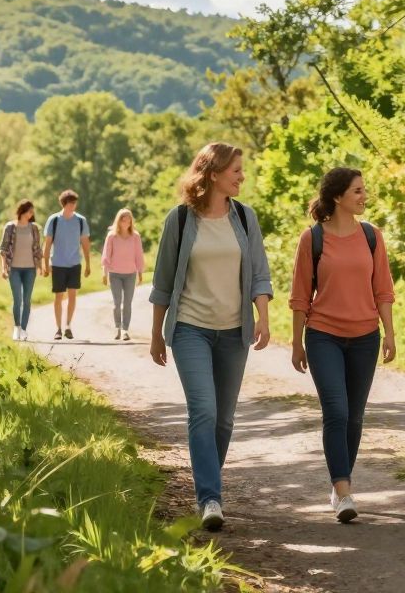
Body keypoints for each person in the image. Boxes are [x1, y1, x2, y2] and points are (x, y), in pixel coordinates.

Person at [148, 142, 272, 532]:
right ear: (214, 173)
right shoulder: (181, 220)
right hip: (190, 328)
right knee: (203, 410)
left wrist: (263, 317)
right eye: (236, 170)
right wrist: (156, 333)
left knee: (224, 420)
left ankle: (208, 484)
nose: (242, 176)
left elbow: (259, 273)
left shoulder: (245, 217)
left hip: (233, 330)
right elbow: (163, 280)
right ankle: (210, 498)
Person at [289, 167, 395, 523]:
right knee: (335, 410)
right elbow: (301, 296)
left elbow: (383, 288)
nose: (364, 196)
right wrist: (296, 343)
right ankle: (344, 489)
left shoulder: (372, 236)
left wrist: (390, 333)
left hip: (365, 336)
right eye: (357, 191)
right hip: (323, 335)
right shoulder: (313, 239)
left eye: (364, 190)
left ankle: (339, 486)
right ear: (337, 198)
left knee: (354, 416)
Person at [42, 190, 91, 340]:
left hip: (75, 263)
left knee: (72, 296)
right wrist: (45, 264)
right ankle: (58, 328)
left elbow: (85, 243)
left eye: (75, 203)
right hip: (57, 263)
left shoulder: (81, 220)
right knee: (58, 296)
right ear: (64, 203)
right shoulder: (54, 220)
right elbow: (47, 244)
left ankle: (68, 326)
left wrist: (88, 263)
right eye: (71, 203)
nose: (74, 206)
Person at [0, 200, 41, 341]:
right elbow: (3, 250)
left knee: (27, 300)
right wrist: (3, 268)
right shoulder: (10, 227)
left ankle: (23, 329)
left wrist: (40, 266)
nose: (31, 214)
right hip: (14, 269)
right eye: (29, 211)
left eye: (32, 212)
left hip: (30, 269)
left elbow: (37, 249)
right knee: (17, 299)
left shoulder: (34, 228)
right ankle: (16, 328)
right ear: (22, 211)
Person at [102, 208, 146, 341]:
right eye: (123, 218)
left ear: (131, 221)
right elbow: (106, 256)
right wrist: (104, 273)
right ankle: (117, 328)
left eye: (128, 218)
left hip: (130, 274)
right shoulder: (112, 236)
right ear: (119, 220)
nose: (126, 220)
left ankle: (125, 330)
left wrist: (140, 272)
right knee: (117, 303)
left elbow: (139, 255)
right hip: (114, 274)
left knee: (127, 303)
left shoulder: (135, 236)